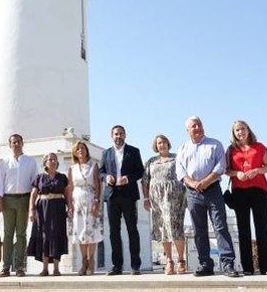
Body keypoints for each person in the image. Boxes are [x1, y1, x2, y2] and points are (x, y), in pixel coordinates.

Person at [175, 116, 240, 278]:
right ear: (188, 130)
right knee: (199, 230)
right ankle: (205, 263)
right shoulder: (183, 148)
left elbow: (221, 166)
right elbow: (180, 171)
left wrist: (204, 181)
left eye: (199, 124)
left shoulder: (215, 144)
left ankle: (227, 263)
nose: (198, 127)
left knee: (220, 226)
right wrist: (193, 183)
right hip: (192, 193)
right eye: (194, 125)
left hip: (212, 191)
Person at [225, 121, 267, 275]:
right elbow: (226, 170)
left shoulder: (259, 147)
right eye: (237, 130)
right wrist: (236, 173)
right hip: (239, 191)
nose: (240, 132)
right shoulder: (231, 150)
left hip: (260, 190)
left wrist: (257, 171)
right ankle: (247, 268)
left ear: (248, 130)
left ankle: (266, 267)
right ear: (234, 133)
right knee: (243, 229)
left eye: (243, 129)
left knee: (261, 228)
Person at [100, 125, 144, 275]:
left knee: (132, 230)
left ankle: (135, 266)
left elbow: (140, 171)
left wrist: (128, 178)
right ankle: (117, 266)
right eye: (116, 134)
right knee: (114, 232)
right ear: (111, 136)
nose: (118, 136)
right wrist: (106, 177)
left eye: (121, 134)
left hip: (129, 195)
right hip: (112, 196)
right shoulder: (106, 153)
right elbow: (101, 172)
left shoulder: (134, 151)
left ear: (125, 135)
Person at [142, 134, 187, 275]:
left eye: (164, 142)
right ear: (156, 146)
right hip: (157, 200)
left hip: (174, 197)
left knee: (176, 228)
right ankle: (169, 261)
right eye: (159, 143)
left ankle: (181, 260)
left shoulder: (177, 158)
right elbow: (145, 181)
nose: (162, 145)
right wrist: (145, 198)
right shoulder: (151, 161)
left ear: (168, 143)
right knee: (162, 230)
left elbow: (184, 176)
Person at [0, 134, 39, 277]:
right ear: (10, 145)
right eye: (13, 142)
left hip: (24, 199)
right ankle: (6, 267)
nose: (16, 144)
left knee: (21, 234)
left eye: (18, 141)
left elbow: (35, 183)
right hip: (8, 200)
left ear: (23, 143)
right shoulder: (5, 162)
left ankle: (20, 267)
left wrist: (33, 203)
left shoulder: (31, 161)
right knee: (8, 234)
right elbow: (0, 182)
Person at [27, 152, 72, 276]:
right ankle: (45, 268)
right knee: (44, 236)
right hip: (43, 209)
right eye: (49, 159)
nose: (52, 161)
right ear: (45, 162)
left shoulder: (62, 177)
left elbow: (67, 194)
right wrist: (32, 210)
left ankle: (57, 268)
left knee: (57, 235)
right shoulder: (39, 177)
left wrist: (70, 207)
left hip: (58, 209)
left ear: (57, 162)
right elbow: (33, 195)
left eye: (54, 159)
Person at [69, 140, 103, 275]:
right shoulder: (72, 168)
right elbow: (70, 187)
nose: (80, 151)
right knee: (80, 231)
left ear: (86, 150)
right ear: (75, 153)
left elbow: (97, 184)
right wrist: (69, 204)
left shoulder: (93, 165)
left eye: (82, 148)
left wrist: (96, 201)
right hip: (77, 201)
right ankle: (84, 262)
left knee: (91, 231)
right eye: (77, 149)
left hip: (90, 200)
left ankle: (91, 260)